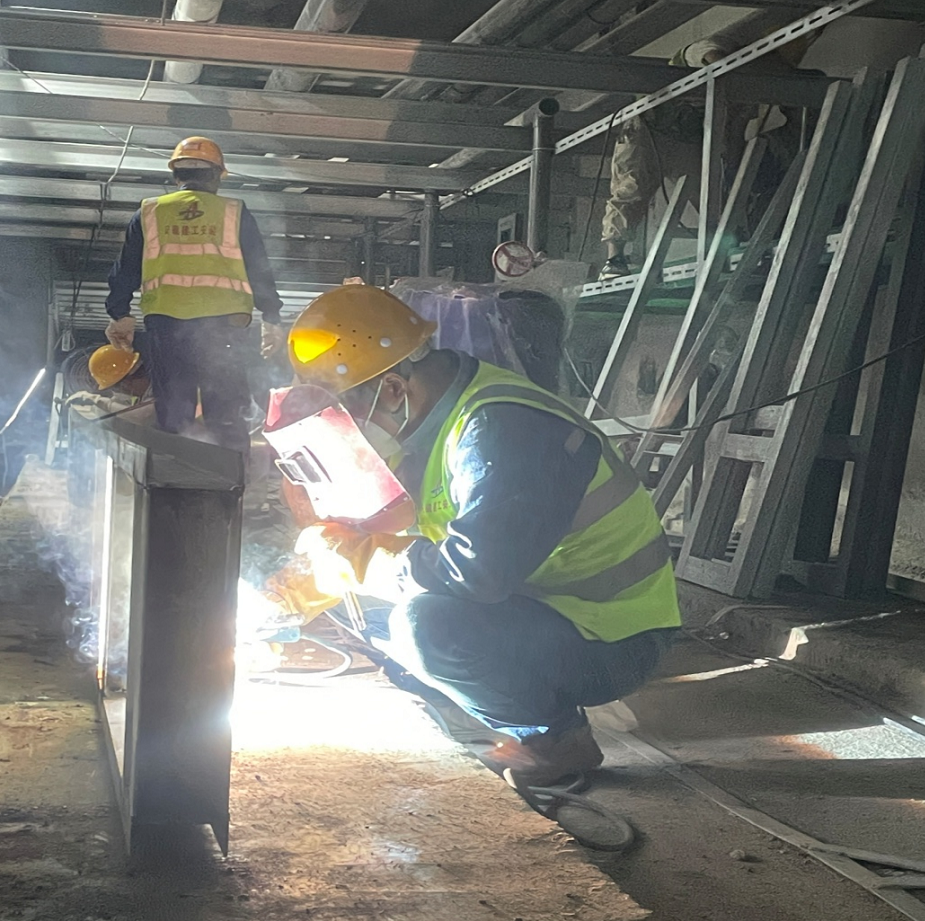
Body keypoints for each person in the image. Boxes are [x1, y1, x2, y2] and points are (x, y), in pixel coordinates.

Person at [267, 284, 682, 786]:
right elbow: (375, 532)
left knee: (427, 626)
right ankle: (492, 699)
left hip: (611, 637)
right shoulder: (426, 420)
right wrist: (288, 599)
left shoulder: (504, 429)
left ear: (393, 389)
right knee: (369, 605)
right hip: (536, 607)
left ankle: (554, 739)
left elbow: (475, 573)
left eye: (347, 417)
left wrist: (354, 561)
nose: (350, 435)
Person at [103, 136, 285, 452]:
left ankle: (173, 475)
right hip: (225, 326)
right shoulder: (234, 212)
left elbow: (126, 269)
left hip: (167, 326)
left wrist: (120, 314)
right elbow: (259, 268)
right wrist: (271, 316)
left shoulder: (149, 213)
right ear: (217, 175)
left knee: (174, 410)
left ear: (176, 175)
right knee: (225, 411)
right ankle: (227, 478)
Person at [599, 34, 818, 281]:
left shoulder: (752, 92)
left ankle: (724, 247)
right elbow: (716, 62)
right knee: (632, 187)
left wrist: (732, 172)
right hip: (650, 128)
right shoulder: (717, 47)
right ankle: (614, 259)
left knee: (710, 196)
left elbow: (733, 132)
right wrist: (740, 79)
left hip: (690, 137)